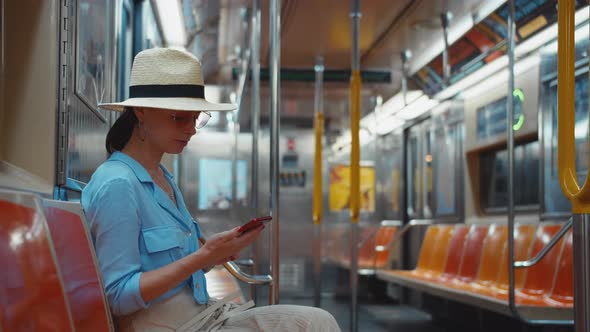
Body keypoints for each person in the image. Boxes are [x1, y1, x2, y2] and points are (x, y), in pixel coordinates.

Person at [81, 48, 341, 332]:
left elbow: (179, 269)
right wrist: (203, 257)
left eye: (196, 119)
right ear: (141, 111)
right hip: (171, 325)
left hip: (203, 315)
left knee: (316, 321)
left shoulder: (161, 177)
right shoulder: (118, 185)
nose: (191, 130)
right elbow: (117, 296)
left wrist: (214, 256)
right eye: (179, 118)